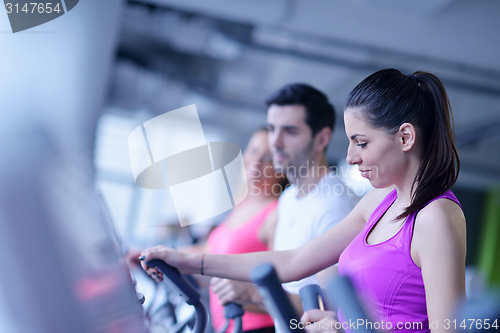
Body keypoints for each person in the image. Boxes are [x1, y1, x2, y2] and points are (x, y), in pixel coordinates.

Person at [140, 69, 466, 333]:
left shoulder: (435, 217)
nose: (351, 157)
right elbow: (294, 262)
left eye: (362, 143)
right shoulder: (380, 200)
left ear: (405, 137)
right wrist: (187, 262)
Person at [210, 83, 358, 331]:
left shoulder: (336, 206)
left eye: (289, 131)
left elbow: (331, 310)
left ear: (321, 138)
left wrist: (256, 293)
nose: (275, 142)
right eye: (271, 129)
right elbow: (291, 294)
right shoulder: (288, 198)